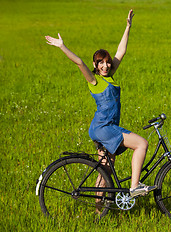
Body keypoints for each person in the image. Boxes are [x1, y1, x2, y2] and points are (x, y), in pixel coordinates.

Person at [45, 9, 156, 202]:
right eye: (100, 63)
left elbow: (121, 51)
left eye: (106, 62)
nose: (104, 66)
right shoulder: (94, 81)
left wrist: (128, 27)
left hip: (104, 127)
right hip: (105, 128)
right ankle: (135, 186)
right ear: (95, 66)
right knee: (141, 144)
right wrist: (62, 46)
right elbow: (79, 62)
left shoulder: (110, 77)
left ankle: (99, 210)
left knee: (105, 170)